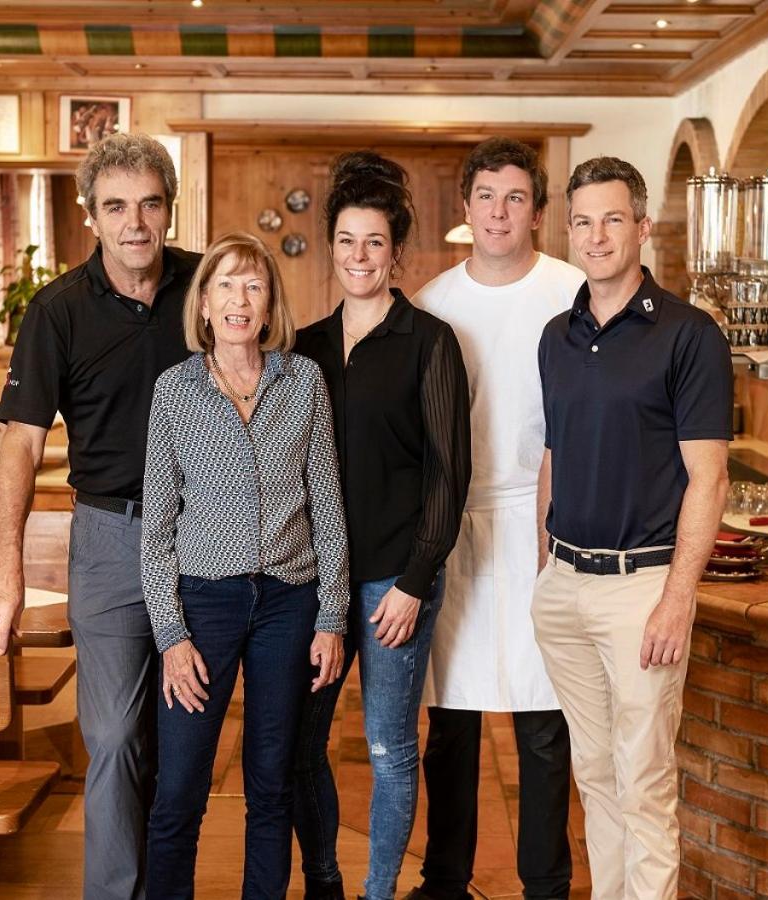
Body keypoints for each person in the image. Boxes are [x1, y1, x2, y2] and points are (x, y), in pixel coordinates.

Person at [0, 133, 196, 900]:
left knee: (184, 741)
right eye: (116, 207)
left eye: (149, 204)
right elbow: (21, 445)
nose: (135, 223)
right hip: (111, 540)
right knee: (117, 736)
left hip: (207, 539)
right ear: (90, 215)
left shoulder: (207, 288)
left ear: (170, 208)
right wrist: (5, 570)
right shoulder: (56, 311)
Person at [532, 157, 731, 900]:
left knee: (643, 782)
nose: (597, 235)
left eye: (613, 219)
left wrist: (678, 599)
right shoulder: (556, 336)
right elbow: (553, 455)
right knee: (594, 774)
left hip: (641, 589)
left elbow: (710, 479)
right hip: (566, 586)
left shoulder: (689, 335)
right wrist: (545, 569)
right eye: (583, 221)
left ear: (642, 227)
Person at [141, 231, 350, 900]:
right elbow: (156, 529)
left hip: (289, 604)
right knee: (180, 788)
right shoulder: (174, 391)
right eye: (226, 285)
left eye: (253, 286)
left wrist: (332, 617)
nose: (239, 299)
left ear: (268, 307)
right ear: (204, 304)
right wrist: (171, 638)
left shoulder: (304, 381)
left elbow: (328, 505)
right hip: (204, 605)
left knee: (271, 783)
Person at [293, 152, 472, 900]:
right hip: (314, 584)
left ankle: (378, 894)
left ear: (396, 253)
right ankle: (326, 882)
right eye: (346, 240)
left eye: (374, 242)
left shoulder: (430, 342)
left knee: (389, 748)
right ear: (331, 248)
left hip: (395, 580)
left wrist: (414, 582)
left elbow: (448, 474)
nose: (359, 256)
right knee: (302, 745)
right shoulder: (302, 347)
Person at [408, 137, 581, 900]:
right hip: (459, 527)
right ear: (466, 207)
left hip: (550, 523)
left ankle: (546, 884)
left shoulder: (574, 292)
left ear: (538, 211)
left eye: (515, 198)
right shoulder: (433, 304)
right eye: (486, 197)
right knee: (451, 723)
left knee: (545, 723)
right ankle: (445, 881)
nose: (499, 212)